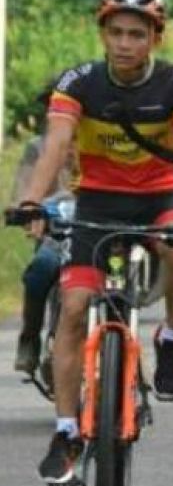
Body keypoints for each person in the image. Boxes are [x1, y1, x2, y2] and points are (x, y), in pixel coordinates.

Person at [10, 0, 173, 486]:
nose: (125, 43)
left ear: (155, 38)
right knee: (73, 306)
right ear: (103, 34)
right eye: (116, 33)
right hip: (97, 201)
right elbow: (57, 145)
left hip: (159, 199)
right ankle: (66, 431)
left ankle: (169, 340)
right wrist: (30, 203)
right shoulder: (79, 82)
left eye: (137, 34)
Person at [11, 82, 77, 374]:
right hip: (55, 232)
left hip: (98, 228)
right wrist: (25, 210)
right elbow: (24, 188)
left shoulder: (101, 142)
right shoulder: (37, 147)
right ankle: (30, 339)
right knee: (40, 269)